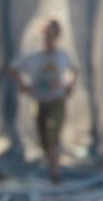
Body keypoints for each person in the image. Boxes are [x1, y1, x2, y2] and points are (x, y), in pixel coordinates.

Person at [8, 19, 78, 182]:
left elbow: (75, 70)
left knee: (54, 134)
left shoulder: (62, 56)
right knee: (44, 138)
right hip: (40, 101)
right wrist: (24, 84)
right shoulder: (34, 56)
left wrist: (70, 85)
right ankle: (51, 164)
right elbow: (12, 68)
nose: (49, 38)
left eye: (52, 34)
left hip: (57, 100)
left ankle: (55, 172)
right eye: (47, 34)